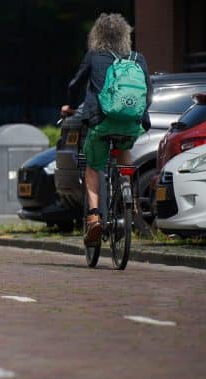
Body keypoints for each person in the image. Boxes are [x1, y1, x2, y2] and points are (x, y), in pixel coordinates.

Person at [61, 13, 152, 246]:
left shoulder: (94, 57)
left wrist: (69, 107)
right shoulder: (137, 58)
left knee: (93, 167)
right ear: (125, 35)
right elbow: (148, 93)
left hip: (101, 123)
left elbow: (75, 85)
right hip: (131, 124)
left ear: (97, 35)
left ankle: (94, 218)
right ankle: (126, 192)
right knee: (124, 153)